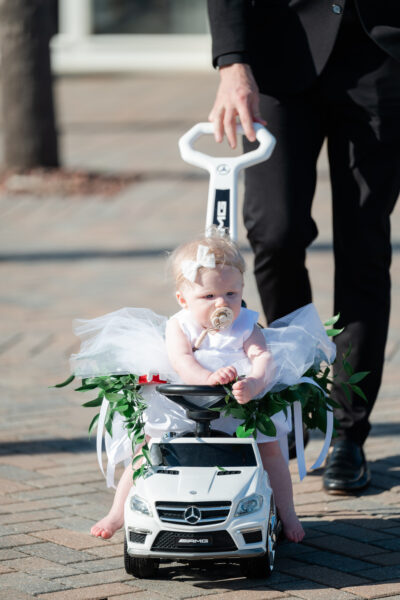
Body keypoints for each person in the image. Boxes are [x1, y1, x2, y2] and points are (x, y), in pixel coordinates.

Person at [207, 0, 400, 493]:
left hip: (380, 52)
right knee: (275, 231)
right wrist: (232, 61)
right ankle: (293, 397)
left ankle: (347, 430)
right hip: (281, 52)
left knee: (365, 244)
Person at [72, 233, 334, 543]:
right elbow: (181, 361)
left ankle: (287, 512)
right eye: (209, 297)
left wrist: (254, 382)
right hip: (186, 398)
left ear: (241, 291)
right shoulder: (179, 325)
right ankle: (118, 511)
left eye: (231, 294)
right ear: (184, 300)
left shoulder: (246, 324)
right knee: (149, 448)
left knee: (270, 449)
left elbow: (262, 356)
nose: (222, 303)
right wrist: (205, 377)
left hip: (241, 403)